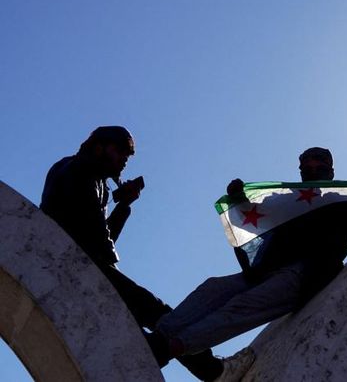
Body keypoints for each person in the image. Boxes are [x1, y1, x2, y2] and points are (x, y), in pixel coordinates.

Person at [148, 147, 347, 380]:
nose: (313, 171)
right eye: (308, 167)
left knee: (240, 308)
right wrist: (239, 199)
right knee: (212, 289)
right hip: (265, 269)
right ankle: (158, 338)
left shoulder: (343, 203)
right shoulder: (287, 202)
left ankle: (172, 348)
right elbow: (254, 218)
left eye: (320, 167)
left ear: (331, 171)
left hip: (305, 273)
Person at [40, 126, 223, 381]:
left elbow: (102, 244)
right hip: (80, 268)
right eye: (120, 152)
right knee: (161, 316)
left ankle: (204, 367)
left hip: (84, 268)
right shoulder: (82, 173)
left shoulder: (91, 178)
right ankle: (214, 371)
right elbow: (101, 247)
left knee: (152, 323)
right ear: (99, 147)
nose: (124, 160)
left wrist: (123, 206)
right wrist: (120, 208)